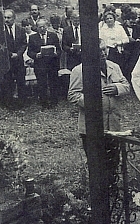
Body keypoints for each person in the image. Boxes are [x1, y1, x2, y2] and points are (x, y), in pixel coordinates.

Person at [68, 39, 130, 172]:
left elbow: (127, 86)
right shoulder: (80, 70)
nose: (103, 53)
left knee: (113, 160)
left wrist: (117, 88)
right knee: (96, 164)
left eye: (104, 49)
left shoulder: (114, 67)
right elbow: (72, 95)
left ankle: (112, 189)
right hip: (92, 126)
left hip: (113, 124)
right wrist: (91, 101)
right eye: (99, 51)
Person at [27, 18, 61, 108]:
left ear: (47, 26)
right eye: (39, 27)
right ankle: (44, 102)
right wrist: (35, 55)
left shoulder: (53, 35)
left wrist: (55, 53)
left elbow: (59, 50)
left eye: (43, 26)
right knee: (42, 83)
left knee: (53, 82)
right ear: (37, 28)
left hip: (52, 63)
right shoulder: (32, 37)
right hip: (40, 64)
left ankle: (54, 101)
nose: (42, 29)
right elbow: (29, 52)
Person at [3, 9, 28, 107]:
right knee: (8, 81)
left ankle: (22, 102)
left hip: (18, 60)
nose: (6, 20)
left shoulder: (20, 30)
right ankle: (9, 103)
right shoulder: (1, 31)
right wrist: (10, 54)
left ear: (14, 18)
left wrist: (18, 54)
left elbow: (24, 43)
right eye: (5, 17)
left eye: (8, 18)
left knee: (21, 81)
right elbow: (0, 46)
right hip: (7, 61)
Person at [99, 11, 130, 78]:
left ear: (114, 19)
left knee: (119, 68)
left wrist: (118, 42)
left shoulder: (119, 28)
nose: (109, 20)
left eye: (111, 18)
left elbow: (126, 39)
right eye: (107, 19)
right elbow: (100, 40)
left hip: (118, 51)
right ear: (105, 20)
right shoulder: (103, 29)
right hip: (107, 51)